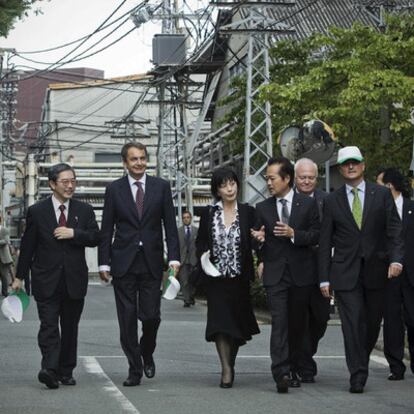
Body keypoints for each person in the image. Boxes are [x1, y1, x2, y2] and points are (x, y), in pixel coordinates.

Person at [318, 146, 403, 393]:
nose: (351, 167)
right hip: (345, 273)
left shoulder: (381, 194)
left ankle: (360, 358)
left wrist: (396, 260)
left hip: (377, 270)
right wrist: (324, 278)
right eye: (346, 164)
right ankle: (357, 373)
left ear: (363, 166)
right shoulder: (332, 200)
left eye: (355, 162)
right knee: (352, 323)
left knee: (371, 324)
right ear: (341, 169)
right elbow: (325, 242)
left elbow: (394, 230)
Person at [98, 142, 180, 387]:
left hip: (152, 263)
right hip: (123, 263)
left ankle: (147, 350)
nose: (139, 163)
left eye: (143, 158)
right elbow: (106, 228)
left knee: (151, 316)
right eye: (134, 159)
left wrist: (174, 258)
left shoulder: (161, 187)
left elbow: (170, 227)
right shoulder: (114, 189)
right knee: (127, 319)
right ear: (125, 162)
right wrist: (103, 262)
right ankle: (134, 368)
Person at [12, 163, 99, 389]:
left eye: (73, 181)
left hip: (74, 280)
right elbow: (28, 246)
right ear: (52, 184)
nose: (70, 186)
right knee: (48, 326)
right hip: (45, 279)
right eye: (65, 182)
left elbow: (96, 237)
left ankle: (66, 370)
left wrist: (74, 233)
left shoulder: (84, 210)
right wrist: (19, 277)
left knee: (70, 328)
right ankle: (49, 369)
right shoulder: (37, 212)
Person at [254, 157, 320, 393]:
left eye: (272, 178)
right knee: (279, 323)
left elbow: (316, 236)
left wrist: (294, 233)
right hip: (276, 275)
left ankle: (293, 366)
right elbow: (258, 244)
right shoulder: (262, 208)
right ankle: (280, 372)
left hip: (302, 274)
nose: (269, 183)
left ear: (286, 178)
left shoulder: (308, 204)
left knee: (297, 324)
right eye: (267, 179)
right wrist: (259, 243)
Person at [196, 167, 260, 388]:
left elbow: (256, 240)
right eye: (224, 185)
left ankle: (230, 364)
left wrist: (259, 239)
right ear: (217, 190)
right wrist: (203, 255)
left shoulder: (248, 212)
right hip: (216, 280)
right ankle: (226, 369)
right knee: (220, 324)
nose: (229, 188)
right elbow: (201, 241)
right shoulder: (209, 214)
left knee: (237, 327)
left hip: (239, 279)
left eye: (232, 183)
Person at [292, 158, 330, 383]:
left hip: (323, 269)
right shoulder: (287, 201)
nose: (307, 181)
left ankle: (305, 355)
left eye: (311, 177)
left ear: (317, 178)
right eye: (302, 177)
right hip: (296, 268)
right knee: (300, 319)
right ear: (295, 178)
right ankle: (304, 364)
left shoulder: (328, 200)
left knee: (321, 317)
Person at [377, 167, 414, 380]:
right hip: (388, 274)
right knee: (391, 321)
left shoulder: (411, 208)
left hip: (411, 275)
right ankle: (396, 367)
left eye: (379, 185)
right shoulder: (377, 211)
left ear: (390, 186)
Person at [177, 210, 198, 307]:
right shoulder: (178, 231)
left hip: (194, 259)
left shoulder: (196, 230)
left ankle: (191, 296)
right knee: (184, 281)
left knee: (193, 281)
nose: (186, 219)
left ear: (191, 218)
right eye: (184, 218)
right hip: (183, 260)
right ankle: (187, 300)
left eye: (187, 217)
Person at [0, 214, 14, 297]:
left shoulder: (4, 230)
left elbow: (6, 241)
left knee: (4, 276)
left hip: (3, 257)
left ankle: (4, 292)